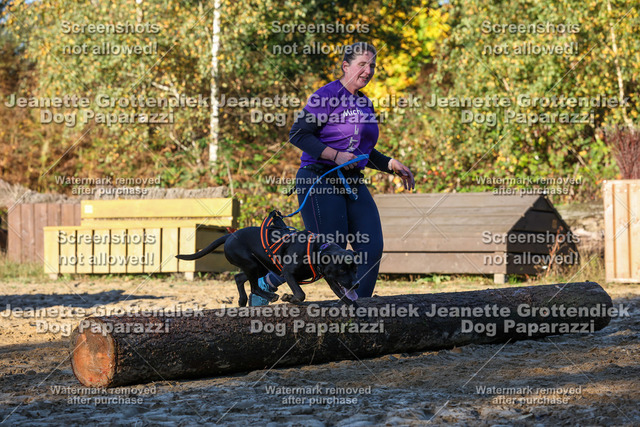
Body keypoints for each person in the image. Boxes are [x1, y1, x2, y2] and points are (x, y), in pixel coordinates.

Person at [250, 42, 414, 306]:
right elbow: (298, 134)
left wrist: (389, 164)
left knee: (371, 247)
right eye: (362, 64)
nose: (368, 70)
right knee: (328, 248)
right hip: (318, 178)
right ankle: (267, 282)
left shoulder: (365, 103)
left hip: (352, 182)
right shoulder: (327, 96)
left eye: (372, 65)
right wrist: (335, 156)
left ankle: (359, 307)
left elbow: (361, 151)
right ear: (345, 66)